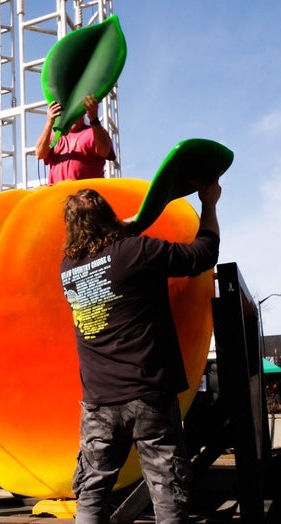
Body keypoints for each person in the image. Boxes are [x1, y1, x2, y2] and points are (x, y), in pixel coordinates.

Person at [59, 183, 221, 524]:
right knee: (166, 487)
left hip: (99, 401)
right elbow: (202, 256)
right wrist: (209, 205)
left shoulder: (67, 269)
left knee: (92, 492)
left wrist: (120, 227)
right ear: (109, 217)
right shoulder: (136, 251)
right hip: (148, 393)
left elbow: (109, 247)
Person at [36, 94, 116, 185]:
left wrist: (94, 119)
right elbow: (40, 153)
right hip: (60, 196)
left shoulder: (94, 132)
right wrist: (49, 122)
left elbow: (104, 152)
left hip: (86, 196)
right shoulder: (56, 137)